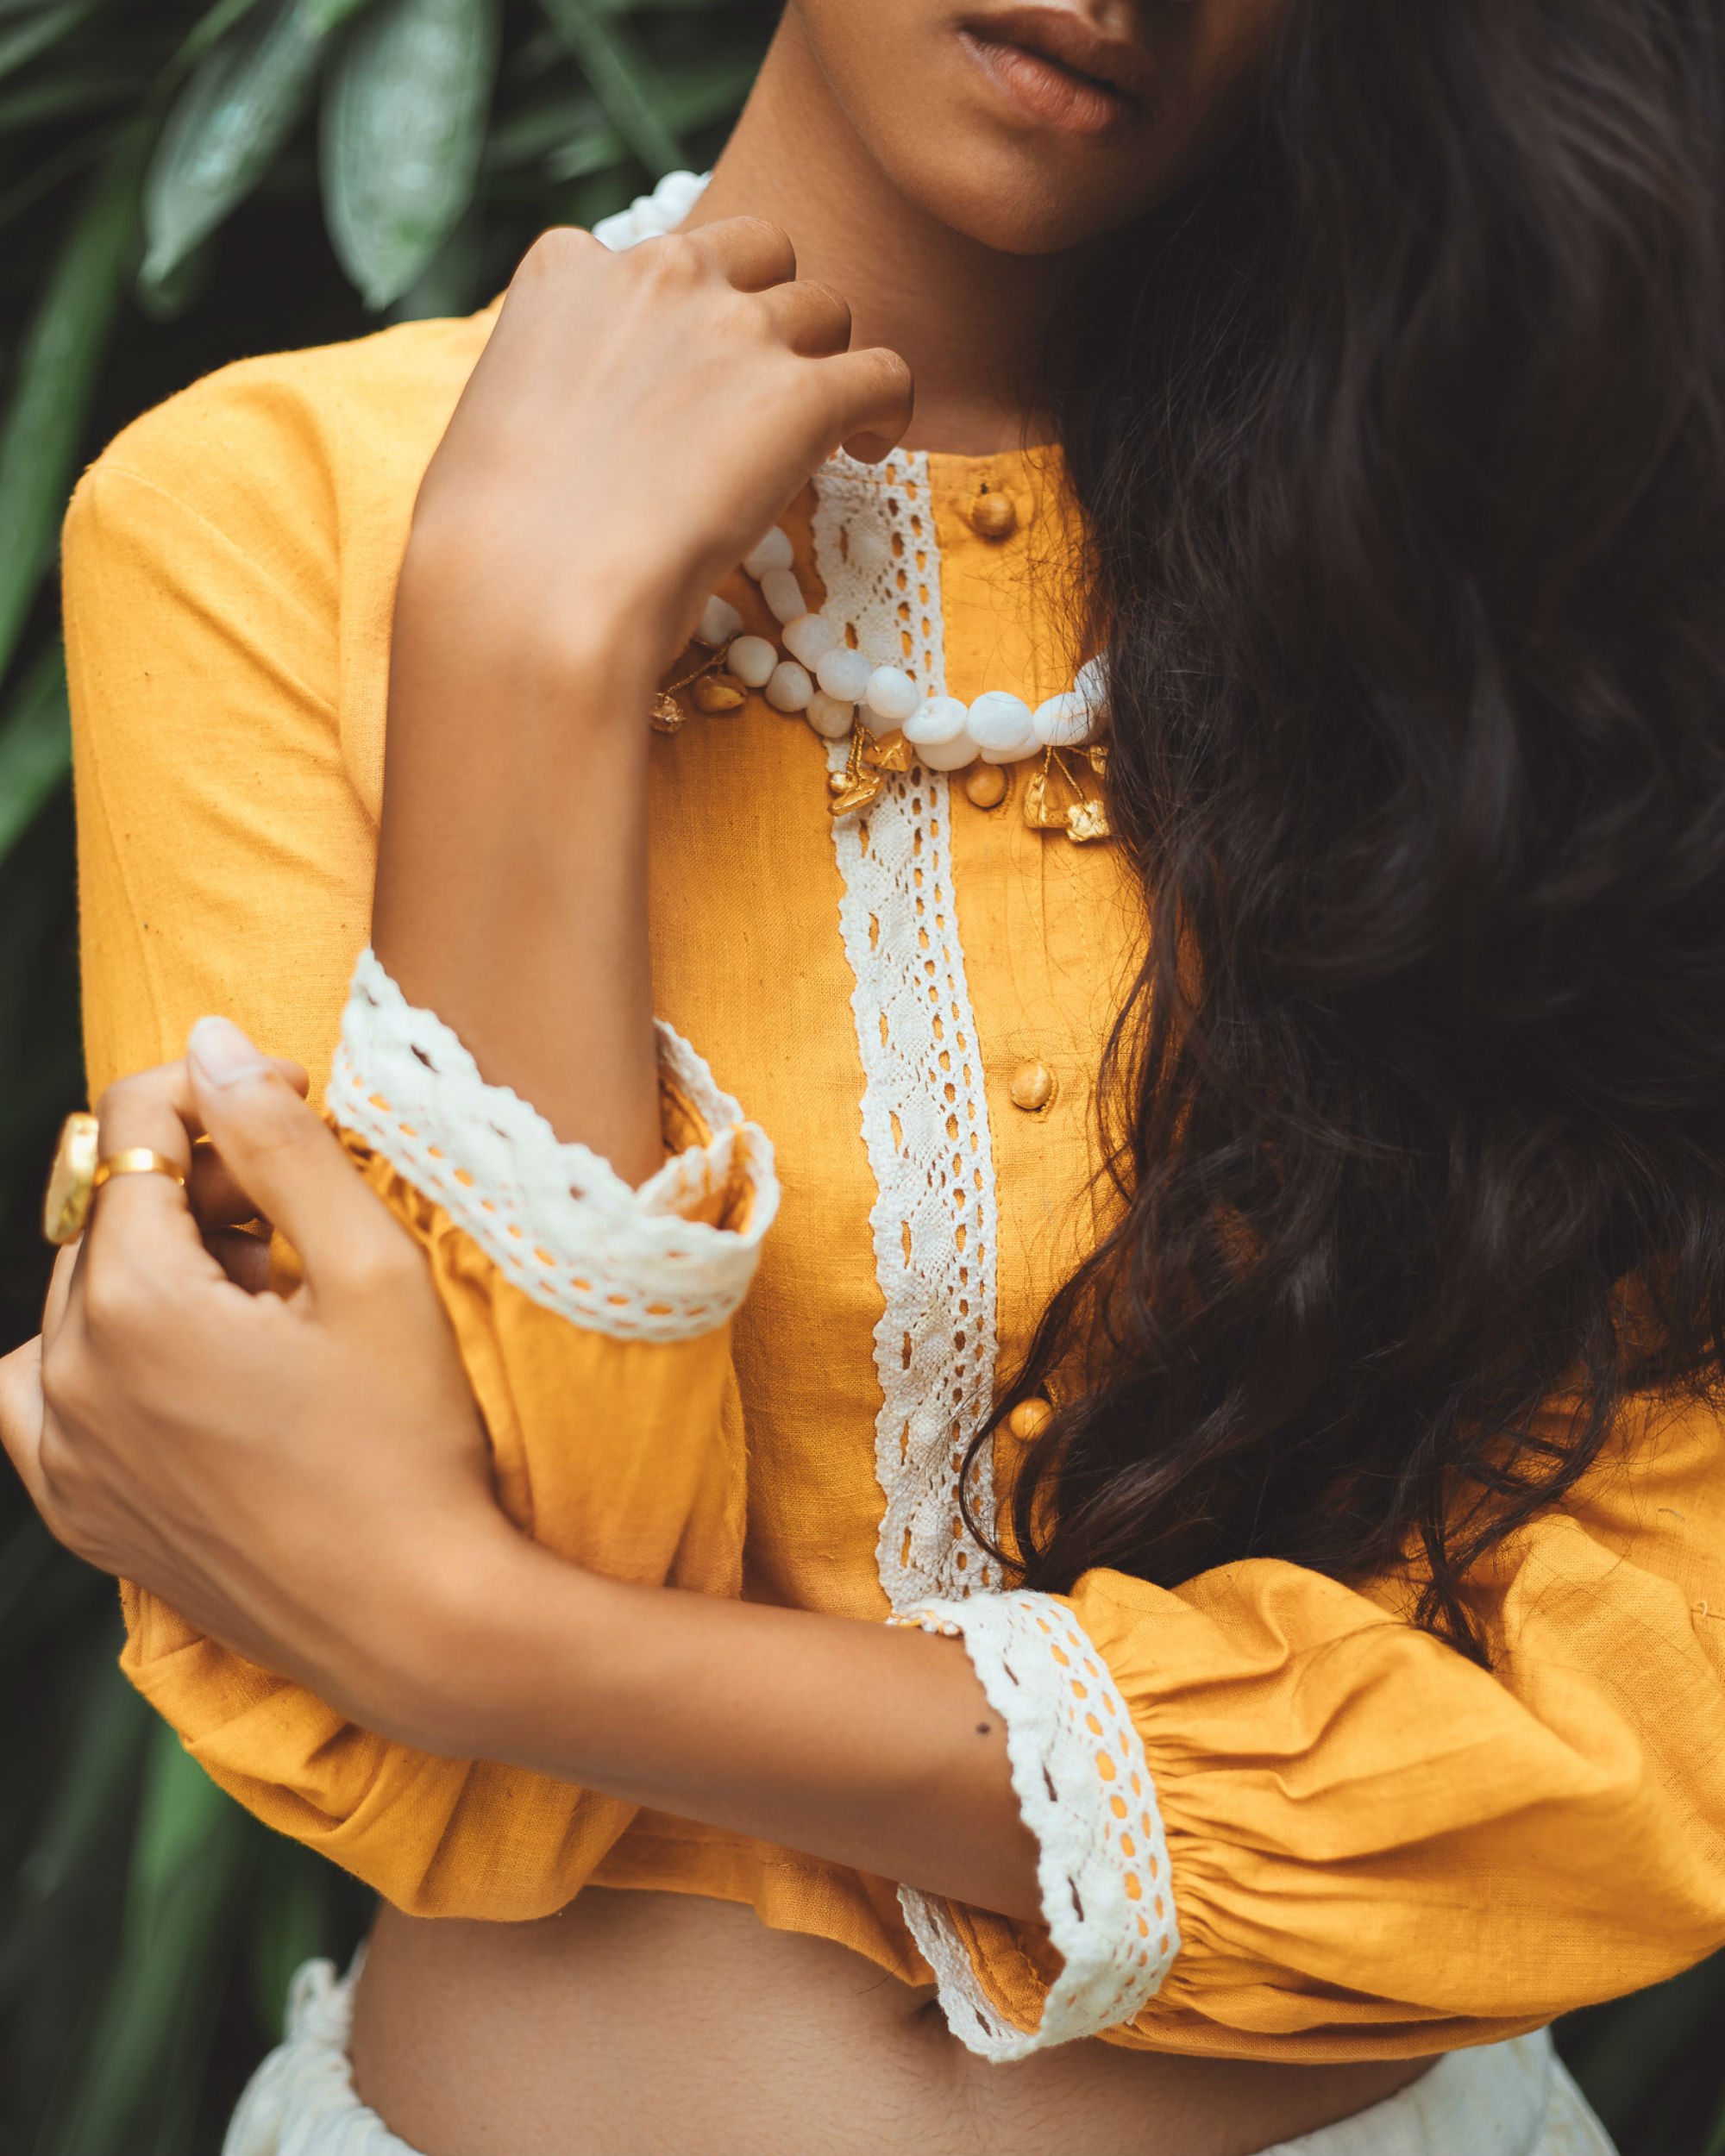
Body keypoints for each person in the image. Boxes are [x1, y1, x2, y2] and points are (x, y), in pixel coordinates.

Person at [5, 0, 1725, 2150]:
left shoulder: (1530, 610)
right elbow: (461, 1798)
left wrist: (463, 1624)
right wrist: (524, 640)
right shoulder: (267, 518)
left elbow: (1613, 1780)